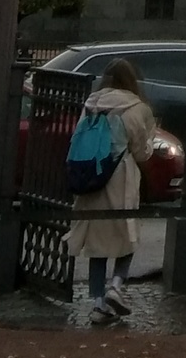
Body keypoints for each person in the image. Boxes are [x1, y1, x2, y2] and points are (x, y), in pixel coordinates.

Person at [68, 59, 158, 324]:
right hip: (121, 176)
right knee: (126, 234)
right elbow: (141, 152)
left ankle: (98, 304)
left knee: (97, 242)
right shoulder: (137, 108)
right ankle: (116, 286)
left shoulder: (91, 103)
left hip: (92, 175)